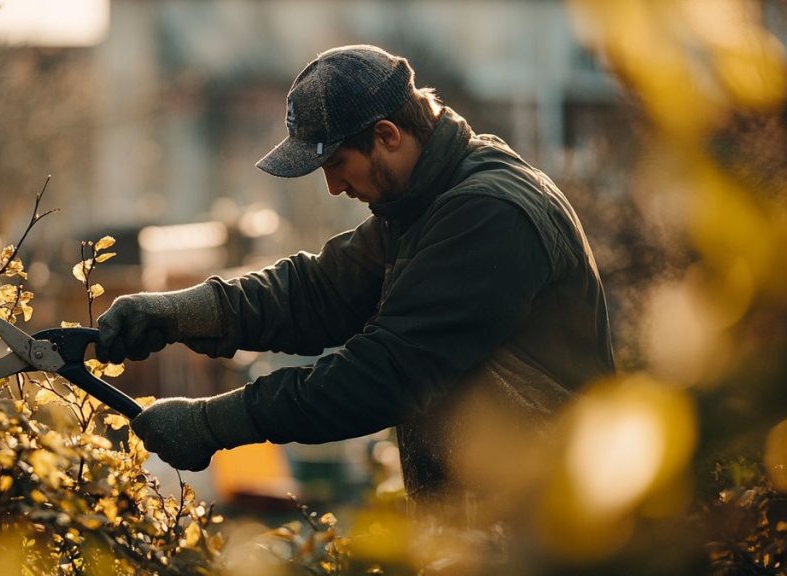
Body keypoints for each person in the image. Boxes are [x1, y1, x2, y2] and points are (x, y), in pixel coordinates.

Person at [96, 45, 614, 509]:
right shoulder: (421, 203)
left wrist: (215, 422)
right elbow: (316, 293)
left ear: (387, 136)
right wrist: (177, 313)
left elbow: (385, 374)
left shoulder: (488, 213)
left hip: (554, 529)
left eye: (337, 163)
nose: (334, 187)